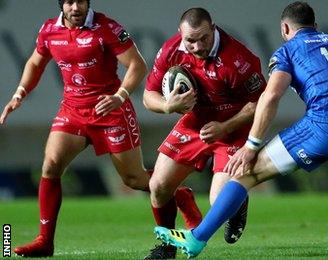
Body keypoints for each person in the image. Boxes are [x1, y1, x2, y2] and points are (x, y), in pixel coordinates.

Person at [151, 2, 328, 259]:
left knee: (246, 173)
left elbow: (270, 97)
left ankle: (196, 239)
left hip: (324, 126)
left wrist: (251, 146)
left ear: (285, 28)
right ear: (315, 26)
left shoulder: (287, 50)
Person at [0, 0, 202, 258]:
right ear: (61, 4)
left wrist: (120, 96)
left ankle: (181, 196)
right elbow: (35, 63)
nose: (76, 7)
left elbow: (137, 65)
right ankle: (45, 241)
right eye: (70, 2)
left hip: (111, 111)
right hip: (72, 111)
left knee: (133, 180)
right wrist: (20, 93)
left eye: (81, 1)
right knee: (50, 166)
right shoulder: (49, 29)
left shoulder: (106, 27)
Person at [142, 6, 267, 253]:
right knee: (158, 186)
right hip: (195, 123)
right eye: (190, 40)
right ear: (180, 33)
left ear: (213, 28)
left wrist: (225, 127)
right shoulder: (171, 50)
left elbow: (261, 103)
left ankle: (237, 201)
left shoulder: (238, 59)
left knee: (218, 202)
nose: (198, 46)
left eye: (204, 38)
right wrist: (168, 106)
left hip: (233, 125)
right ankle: (168, 246)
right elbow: (148, 96)